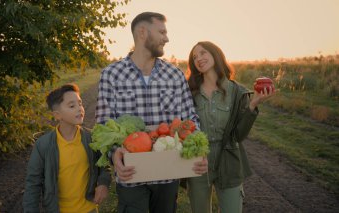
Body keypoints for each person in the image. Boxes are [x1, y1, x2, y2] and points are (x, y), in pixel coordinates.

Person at [95, 12, 208, 213]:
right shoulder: (111, 75)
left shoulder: (174, 75)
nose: (167, 38)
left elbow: (190, 118)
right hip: (131, 174)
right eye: (162, 31)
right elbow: (103, 123)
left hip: (168, 172)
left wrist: (197, 149)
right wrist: (115, 154)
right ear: (142, 32)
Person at [186, 41, 275, 213]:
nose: (199, 58)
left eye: (203, 53)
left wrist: (252, 105)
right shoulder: (190, 92)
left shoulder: (237, 92)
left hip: (229, 159)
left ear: (215, 54)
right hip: (198, 161)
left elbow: (238, 135)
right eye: (195, 57)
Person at [23, 83, 110, 213]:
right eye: (72, 106)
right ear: (57, 115)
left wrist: (103, 183)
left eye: (80, 104)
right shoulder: (43, 145)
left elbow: (104, 165)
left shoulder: (92, 138)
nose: (79, 108)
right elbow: (33, 183)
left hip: (89, 209)